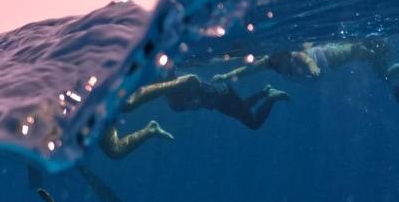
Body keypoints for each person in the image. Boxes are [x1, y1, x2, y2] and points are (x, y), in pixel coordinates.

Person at [214, 39, 399, 101]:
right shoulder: (269, 62)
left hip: (327, 58)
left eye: (278, 55)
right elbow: (247, 71)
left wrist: (314, 68)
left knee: (358, 51)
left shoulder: (294, 55)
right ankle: (388, 73)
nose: (274, 58)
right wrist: (225, 76)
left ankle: (383, 62)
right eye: (273, 56)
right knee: (365, 55)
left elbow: (307, 59)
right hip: (324, 66)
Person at [122, 73, 289, 130]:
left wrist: (193, 101)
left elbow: (195, 90)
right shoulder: (173, 98)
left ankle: (271, 97)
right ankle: (265, 92)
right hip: (220, 101)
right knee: (242, 108)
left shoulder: (183, 83)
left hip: (223, 95)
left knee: (253, 123)